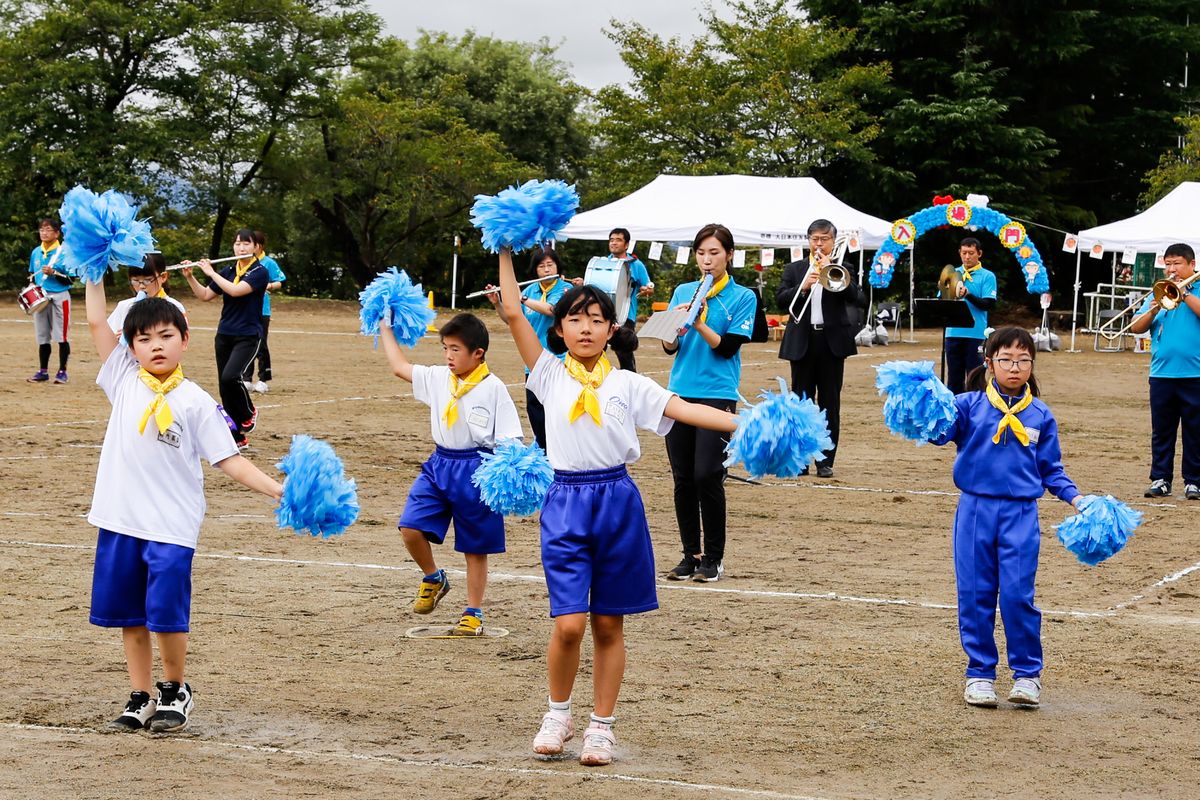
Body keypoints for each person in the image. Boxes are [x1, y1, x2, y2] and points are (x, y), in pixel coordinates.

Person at [496, 247, 738, 766]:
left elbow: (688, 409)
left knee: (609, 624)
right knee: (568, 624)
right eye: (575, 319)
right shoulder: (546, 374)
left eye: (597, 319)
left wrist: (751, 423)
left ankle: (600, 726)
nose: (586, 328)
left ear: (612, 329)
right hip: (564, 502)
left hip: (618, 501)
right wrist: (505, 245)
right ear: (558, 328)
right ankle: (557, 714)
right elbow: (514, 310)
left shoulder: (630, 384)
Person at [82, 273, 283, 733]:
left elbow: (228, 460)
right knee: (129, 616)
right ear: (130, 347)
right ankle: (141, 695)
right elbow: (96, 322)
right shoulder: (122, 378)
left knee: (166, 616)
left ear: (185, 340)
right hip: (119, 519)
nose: (156, 346)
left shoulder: (196, 401)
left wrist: (277, 490)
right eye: (144, 338)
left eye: (166, 336)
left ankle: (175, 688)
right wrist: (94, 273)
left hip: (171, 526)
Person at [930, 326, 1084, 709]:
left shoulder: (1039, 414)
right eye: (1006, 360)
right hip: (975, 510)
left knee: (1017, 596)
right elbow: (937, 434)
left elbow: (1051, 470)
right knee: (975, 595)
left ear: (1032, 364)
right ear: (988, 363)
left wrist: (1078, 498)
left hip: (1020, 514)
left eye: (1023, 360)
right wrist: (925, 404)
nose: (1015, 367)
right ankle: (980, 674)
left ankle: (1027, 675)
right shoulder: (967, 405)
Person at [376, 312, 523, 636]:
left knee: (475, 548)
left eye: (455, 349)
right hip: (439, 465)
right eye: (445, 348)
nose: (448, 356)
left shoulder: (494, 388)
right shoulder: (438, 377)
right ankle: (433, 576)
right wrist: (384, 326)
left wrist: (507, 473)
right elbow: (399, 367)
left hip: (478, 468)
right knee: (410, 527)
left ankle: (473, 612)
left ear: (478, 353)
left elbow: (512, 439)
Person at [662, 223, 756, 583]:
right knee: (683, 477)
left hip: (718, 392)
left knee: (707, 474)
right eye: (701, 253)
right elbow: (669, 347)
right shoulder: (683, 290)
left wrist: (699, 322)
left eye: (714, 252)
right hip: (679, 389)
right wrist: (675, 327)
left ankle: (714, 558)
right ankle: (690, 555)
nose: (707, 259)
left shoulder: (742, 296)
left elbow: (727, 346)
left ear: (728, 255)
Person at [776, 219, 867, 477]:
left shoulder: (843, 267)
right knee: (801, 403)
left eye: (824, 239)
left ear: (832, 242)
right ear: (808, 240)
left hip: (831, 344)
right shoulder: (794, 269)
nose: (819, 244)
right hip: (802, 342)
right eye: (815, 239)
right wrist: (803, 286)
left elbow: (859, 298)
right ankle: (800, 460)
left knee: (830, 404)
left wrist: (833, 272)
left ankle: (825, 461)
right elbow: (781, 299)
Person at [180, 229, 269, 449]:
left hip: (248, 334)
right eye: (237, 244)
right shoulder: (228, 270)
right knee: (224, 386)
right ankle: (237, 437)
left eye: (246, 244)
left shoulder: (260, 271)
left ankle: (249, 411)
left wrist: (210, 273)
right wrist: (190, 276)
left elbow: (237, 291)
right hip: (224, 334)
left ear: (256, 247)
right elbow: (204, 296)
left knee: (231, 377)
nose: (241, 248)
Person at [1129, 243, 1200, 501]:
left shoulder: (1196, 289)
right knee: (1162, 431)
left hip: (1196, 374)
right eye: (1168, 264)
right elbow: (1135, 328)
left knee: (1196, 431)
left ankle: (1194, 482)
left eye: (1177, 263)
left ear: (1192, 265)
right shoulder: (1157, 294)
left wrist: (1185, 293)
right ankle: (1160, 479)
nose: (1171, 269)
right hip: (1162, 375)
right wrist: (1156, 306)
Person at [486, 246, 572, 450]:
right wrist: (499, 303)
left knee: (557, 410)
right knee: (535, 410)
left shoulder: (565, 289)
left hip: (559, 360)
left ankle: (559, 450)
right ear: (536, 270)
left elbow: (553, 310)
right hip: (532, 362)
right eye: (542, 266)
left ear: (557, 267)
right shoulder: (530, 290)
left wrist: (520, 298)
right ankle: (542, 450)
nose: (546, 269)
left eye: (550, 265)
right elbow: (512, 319)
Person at [944, 237, 998, 394]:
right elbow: (944, 299)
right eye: (964, 253)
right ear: (959, 253)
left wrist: (968, 295)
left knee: (975, 377)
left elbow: (988, 304)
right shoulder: (952, 274)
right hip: (953, 332)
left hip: (975, 333)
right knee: (954, 378)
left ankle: (976, 411)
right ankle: (955, 411)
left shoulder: (987, 276)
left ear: (979, 254)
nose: (967, 257)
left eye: (971, 253)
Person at [26, 218, 74, 384]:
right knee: (42, 336)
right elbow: (32, 275)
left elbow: (72, 279)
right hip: (42, 296)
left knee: (62, 335)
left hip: (60, 295)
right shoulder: (35, 252)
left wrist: (55, 272)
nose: (44, 233)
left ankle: (62, 371)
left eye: (48, 230)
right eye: (41, 230)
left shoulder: (64, 253)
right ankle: (43, 371)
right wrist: (30, 291)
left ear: (57, 233)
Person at [242, 231, 286, 394]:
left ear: (258, 246)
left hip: (262, 310)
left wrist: (268, 286)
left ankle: (263, 379)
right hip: (245, 309)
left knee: (261, 343)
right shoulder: (243, 263)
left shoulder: (268, 263)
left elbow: (280, 281)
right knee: (246, 343)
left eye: (249, 244)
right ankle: (246, 379)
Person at [605, 228, 654, 371]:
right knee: (596, 350)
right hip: (603, 314)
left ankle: (631, 387)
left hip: (625, 316)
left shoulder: (636, 264)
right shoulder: (604, 263)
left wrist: (647, 290)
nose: (614, 243)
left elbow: (649, 288)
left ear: (626, 245)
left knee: (624, 354)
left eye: (618, 240)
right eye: (611, 240)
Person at [107, 252, 187, 337]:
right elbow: (107, 337)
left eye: (148, 280)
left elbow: (180, 339)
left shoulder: (175, 307)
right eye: (135, 280)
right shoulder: (124, 306)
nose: (141, 286)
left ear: (163, 277)